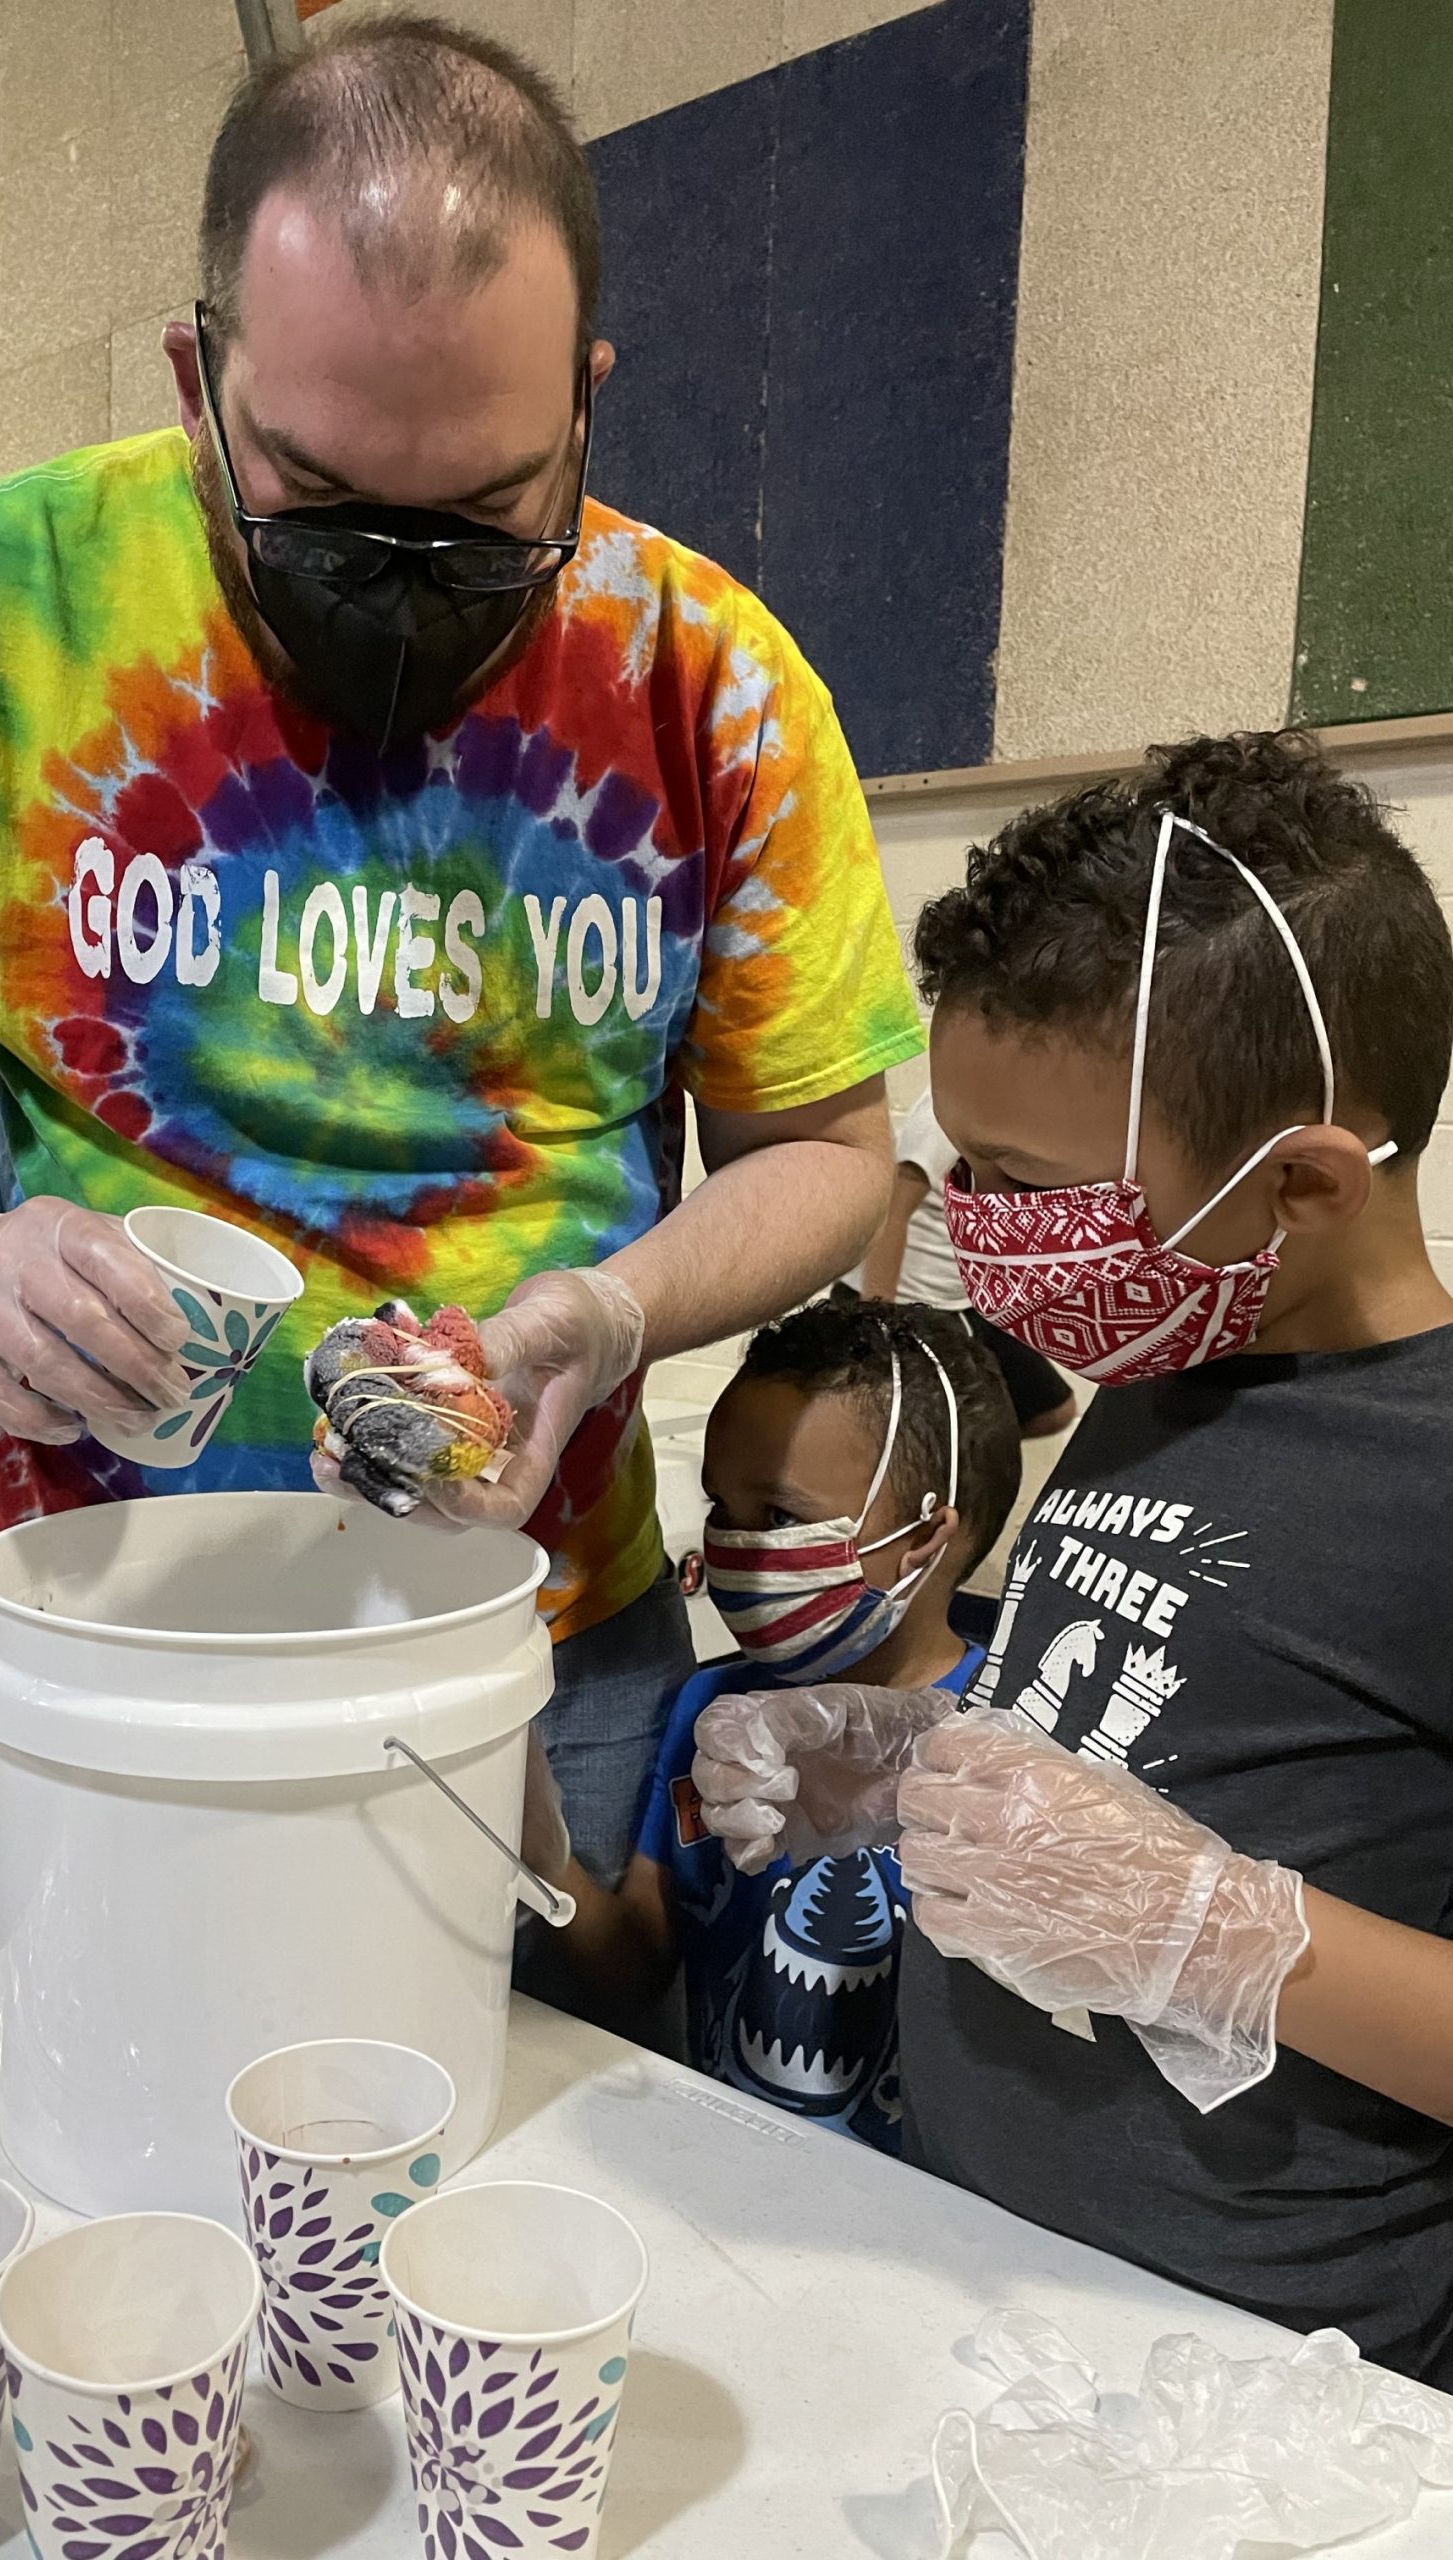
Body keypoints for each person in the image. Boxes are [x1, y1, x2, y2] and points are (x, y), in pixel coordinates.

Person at [0, 18, 922, 1888]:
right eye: (324, 499)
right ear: (199, 377)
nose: (405, 571)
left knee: (547, 2132)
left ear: (588, 399)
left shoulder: (710, 678)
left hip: (542, 1623)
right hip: (121, 1613)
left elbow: (829, 1155)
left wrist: (605, 1321)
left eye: (495, 508)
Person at [693, 730, 1453, 2385]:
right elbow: (1151, 1729)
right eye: (964, 1166)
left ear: (1306, 1186)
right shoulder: (1166, 1370)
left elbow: (1189, 1880)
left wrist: (1225, 1933)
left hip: (1258, 2371)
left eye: (1029, 1191)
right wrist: (903, 1761)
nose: (974, 1223)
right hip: (977, 2267)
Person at [523, 1298, 1020, 2144]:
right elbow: (635, 1969)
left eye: (782, 1517)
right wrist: (539, 1842)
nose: (737, 1549)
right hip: (734, 2167)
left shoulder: (1018, 1740)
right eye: (722, 1507)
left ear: (925, 1539)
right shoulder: (711, 1709)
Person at [851, 1086, 1077, 1437]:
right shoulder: (954, 1105)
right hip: (913, 1300)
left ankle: (958, 1451)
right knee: (934, 1434)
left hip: (961, 1301)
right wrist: (878, 1320)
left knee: (1053, 1410)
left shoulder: (1022, 1112)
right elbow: (894, 1208)